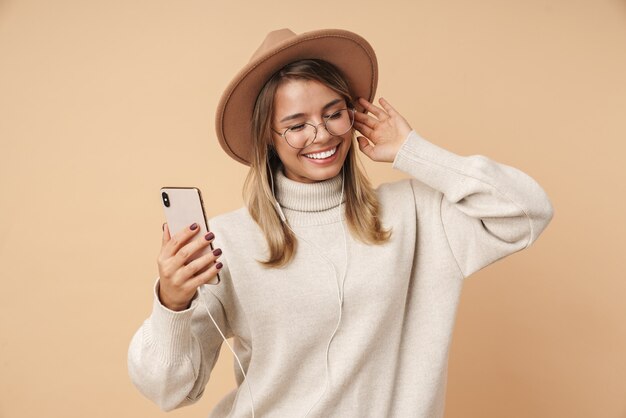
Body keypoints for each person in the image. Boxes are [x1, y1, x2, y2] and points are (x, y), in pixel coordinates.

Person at [128, 28, 554, 418]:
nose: (322, 135)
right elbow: (170, 390)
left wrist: (412, 149)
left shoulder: (416, 214)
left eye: (334, 113)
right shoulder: (227, 242)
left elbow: (527, 212)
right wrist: (171, 303)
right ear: (267, 138)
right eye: (296, 125)